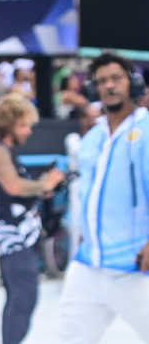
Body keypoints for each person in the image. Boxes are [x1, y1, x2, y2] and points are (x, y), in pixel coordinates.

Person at [27, 52, 149, 344]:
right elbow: (91, 194)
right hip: (89, 261)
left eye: (117, 77)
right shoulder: (95, 136)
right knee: (74, 340)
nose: (110, 84)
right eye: (103, 79)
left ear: (130, 82)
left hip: (133, 263)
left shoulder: (146, 129)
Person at [0, 93, 65, 344]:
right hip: (13, 240)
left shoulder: (5, 150)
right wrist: (46, 183)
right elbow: (12, 186)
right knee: (23, 298)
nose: (29, 131)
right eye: (23, 125)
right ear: (10, 123)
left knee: (21, 298)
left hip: (19, 239)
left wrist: (41, 188)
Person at [65, 103, 101, 258]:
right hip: (77, 183)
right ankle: (75, 260)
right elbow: (82, 155)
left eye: (97, 118)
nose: (93, 122)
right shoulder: (73, 139)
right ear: (83, 119)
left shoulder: (102, 139)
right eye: (91, 118)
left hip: (96, 184)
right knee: (76, 224)